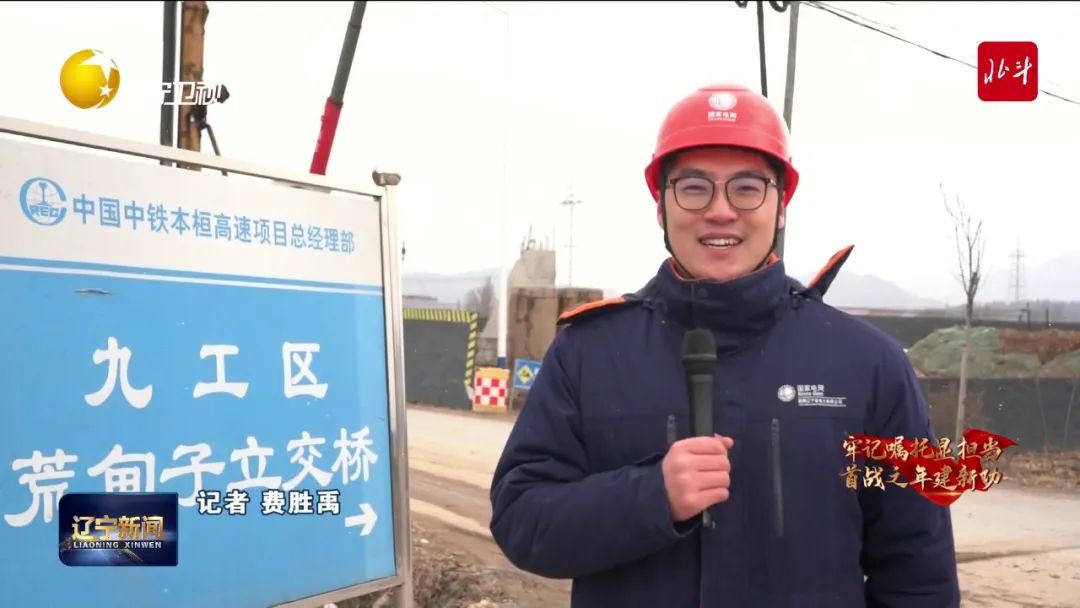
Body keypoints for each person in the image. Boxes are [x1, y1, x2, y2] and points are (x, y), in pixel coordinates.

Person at [487, 82, 960, 607]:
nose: (719, 210)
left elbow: (919, 574)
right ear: (660, 206)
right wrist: (651, 496)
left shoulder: (869, 365)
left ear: (781, 205)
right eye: (693, 187)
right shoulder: (588, 354)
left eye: (747, 187)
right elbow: (521, 519)